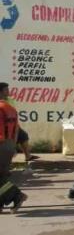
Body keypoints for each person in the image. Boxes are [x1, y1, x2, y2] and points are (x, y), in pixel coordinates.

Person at [0, 82, 26, 213]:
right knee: (2, 176)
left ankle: (16, 195)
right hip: (9, 144)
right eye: (7, 90)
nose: (8, 92)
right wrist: (13, 146)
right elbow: (16, 130)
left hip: (1, 144)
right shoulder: (10, 108)